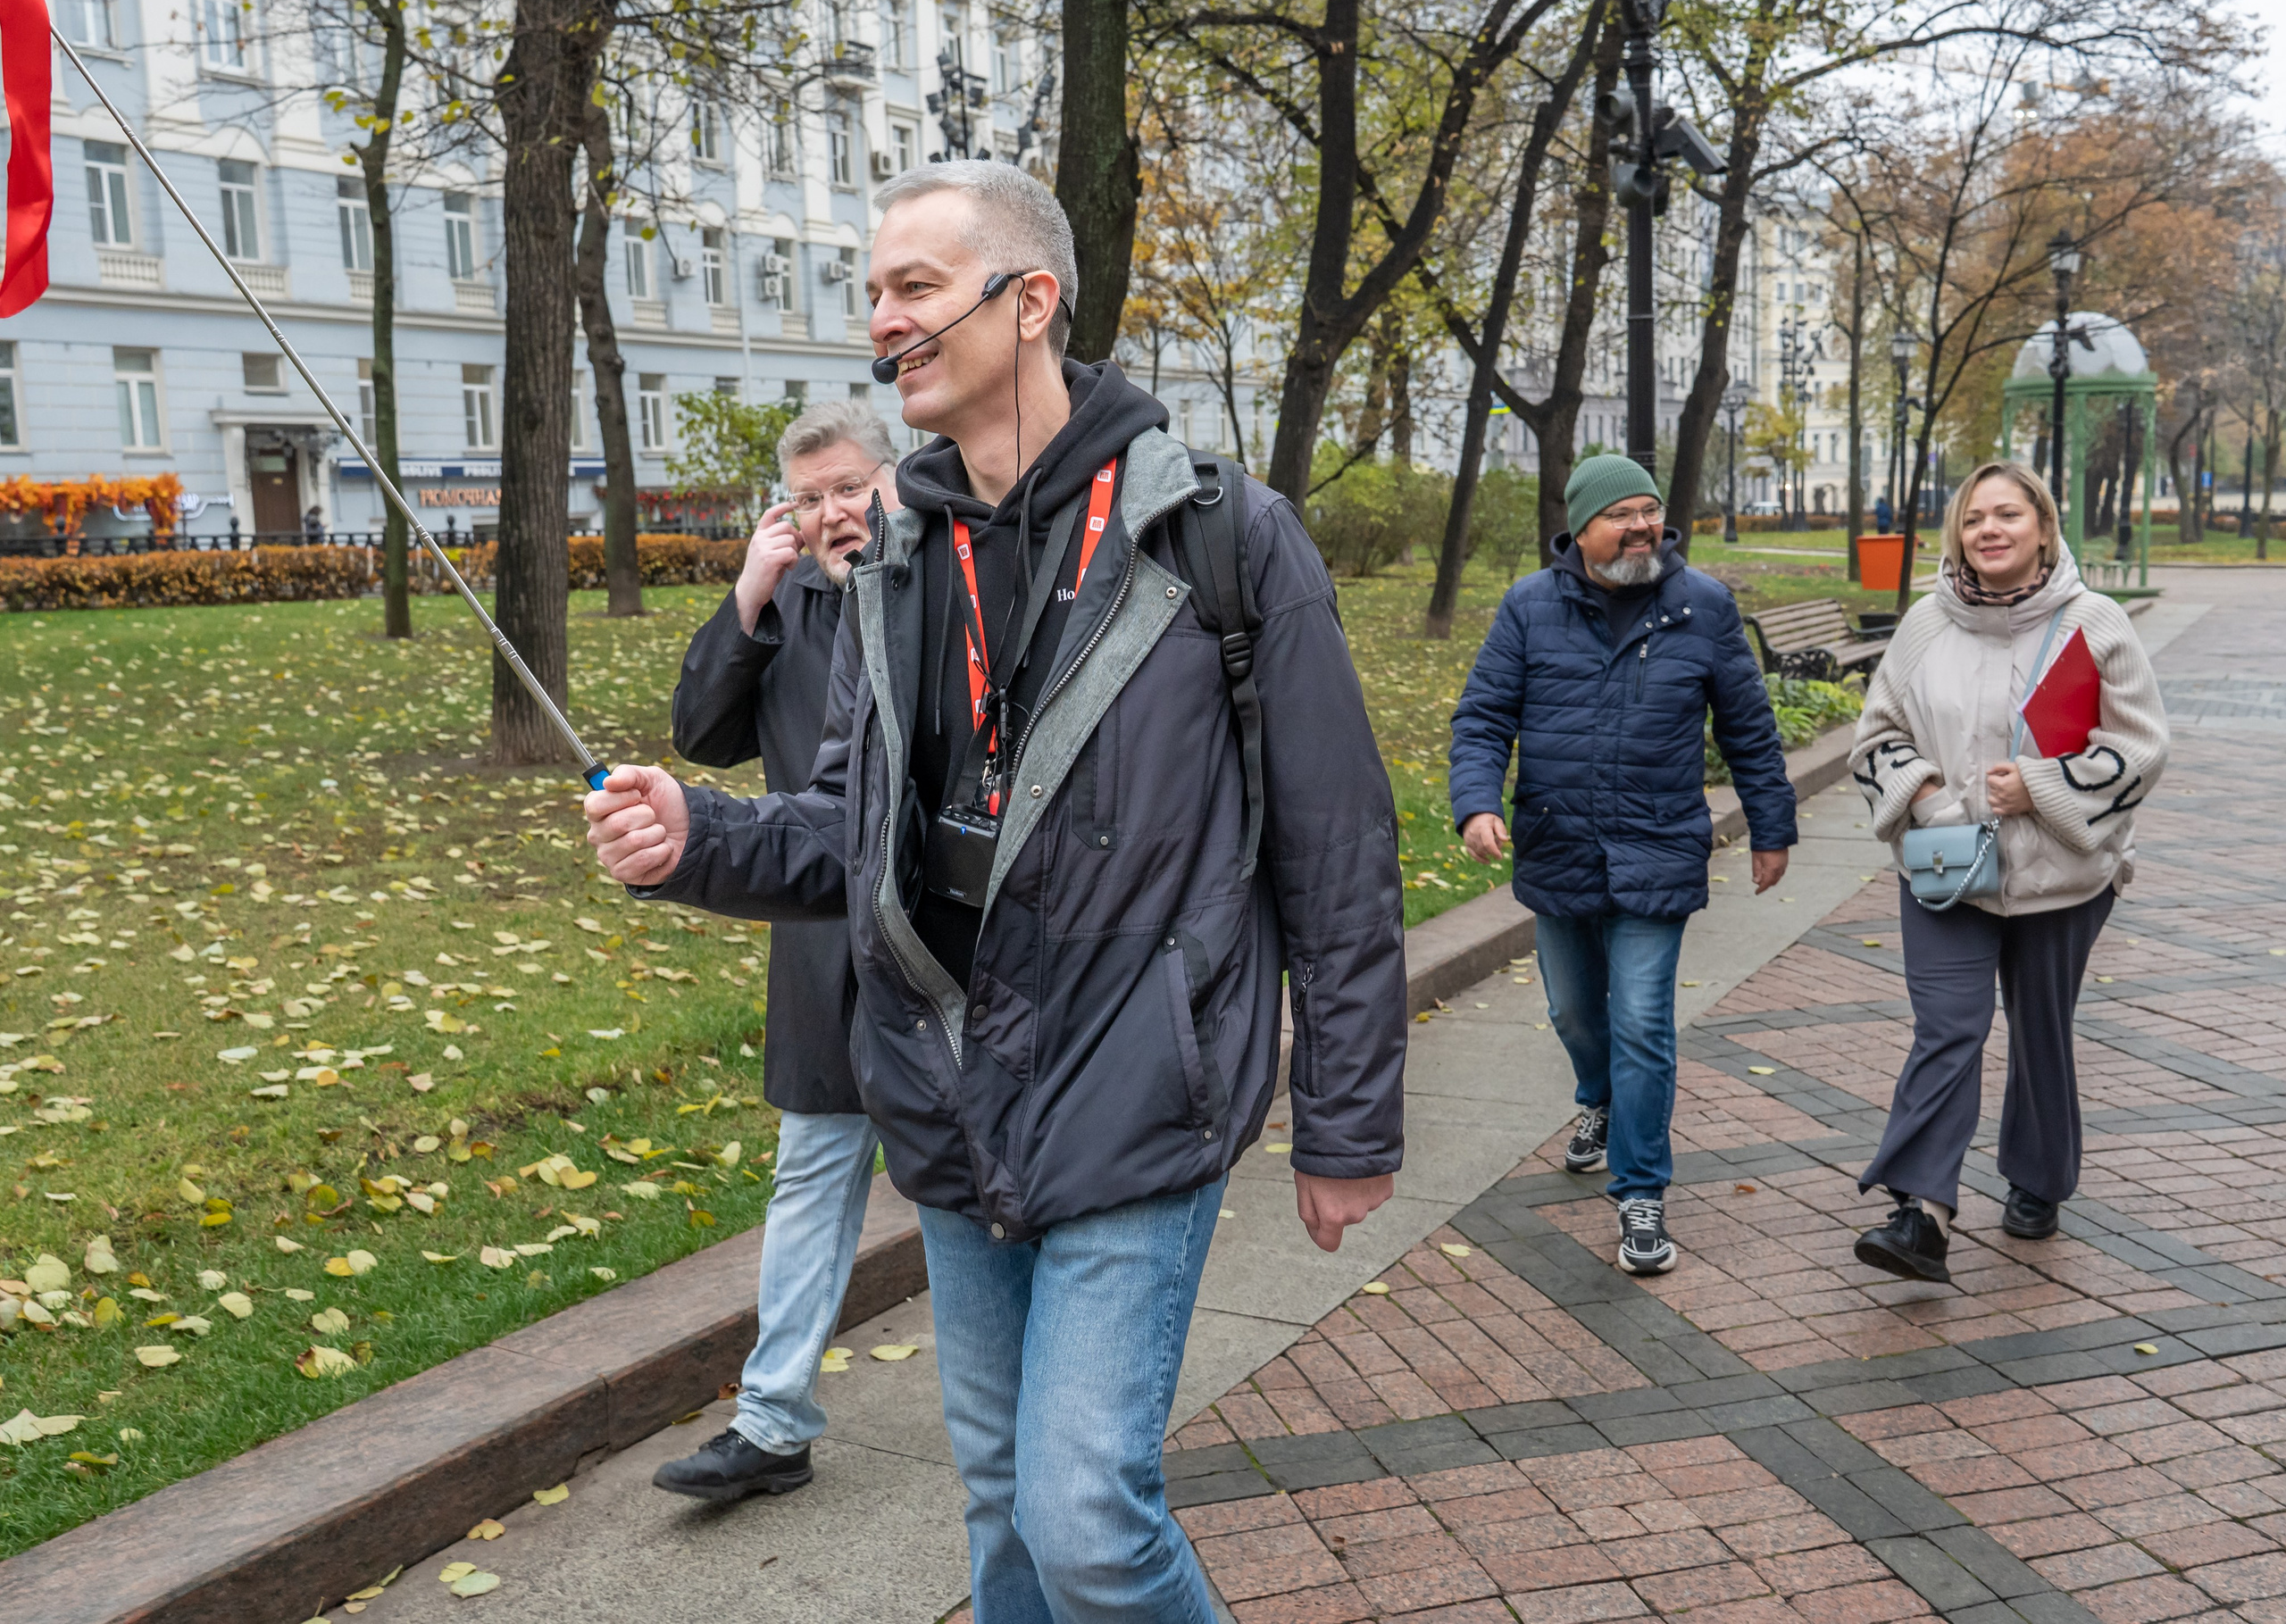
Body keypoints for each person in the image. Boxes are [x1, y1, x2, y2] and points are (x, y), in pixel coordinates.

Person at [585, 160, 1406, 1622]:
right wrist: (694, 835)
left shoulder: (1220, 533)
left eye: (913, 287)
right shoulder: (893, 554)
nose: (882, 321)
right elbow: (849, 823)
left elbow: (1339, 855)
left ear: (1029, 303)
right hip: (950, 1087)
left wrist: (1347, 1122)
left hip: (1140, 1079)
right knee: (1000, 1505)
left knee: (1084, 1512)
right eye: (872, 294)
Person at [1449, 454, 1798, 1276]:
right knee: (1575, 1015)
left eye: (1652, 511)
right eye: (1623, 515)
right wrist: (1476, 803)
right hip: (1558, 845)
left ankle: (1642, 1193)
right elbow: (1482, 717)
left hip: (1657, 845)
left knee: (1643, 1023)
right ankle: (1598, 1101)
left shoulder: (1702, 607)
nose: (1644, 527)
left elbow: (1748, 728)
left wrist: (1772, 827)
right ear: (1581, 528)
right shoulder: (1531, 607)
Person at [647, 399, 899, 1502]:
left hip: (944, 950)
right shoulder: (790, 600)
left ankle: (1039, 1407)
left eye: (849, 486)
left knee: (973, 1189)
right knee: (811, 1175)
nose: (832, 512)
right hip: (817, 943)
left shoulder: (950, 582)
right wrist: (750, 590)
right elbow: (700, 734)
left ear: (892, 478)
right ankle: (772, 1422)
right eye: (808, 497)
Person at [1849, 462, 2168, 1282]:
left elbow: (2140, 750)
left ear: (2042, 528)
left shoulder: (2093, 624)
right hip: (1948, 864)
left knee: (2039, 1027)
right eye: (1973, 518)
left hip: (2061, 873)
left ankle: (2038, 1177)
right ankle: (1921, 1213)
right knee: (1949, 1026)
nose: (1989, 530)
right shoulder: (1925, 625)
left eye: (2007, 515)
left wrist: (2041, 786)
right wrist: (1924, 796)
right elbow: (1876, 738)